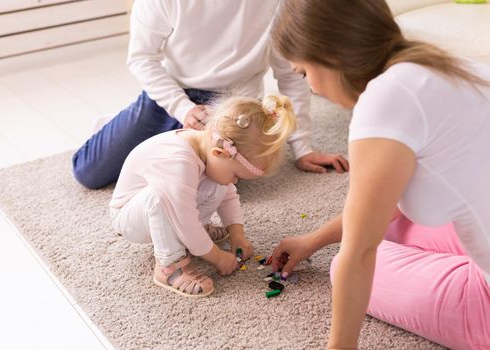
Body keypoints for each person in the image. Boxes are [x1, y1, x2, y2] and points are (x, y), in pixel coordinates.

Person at [269, 0, 490, 349]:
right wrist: (313, 239)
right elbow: (387, 202)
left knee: (346, 263)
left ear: (330, 56)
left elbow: (359, 253)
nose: (310, 86)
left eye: (303, 72)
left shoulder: (382, 104)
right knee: (392, 226)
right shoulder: (439, 64)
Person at [71, 0, 349, 190]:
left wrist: (302, 148)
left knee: (215, 186)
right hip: (173, 95)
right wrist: (182, 108)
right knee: (88, 172)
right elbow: (142, 58)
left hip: (235, 105)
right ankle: (124, 126)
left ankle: (154, 135)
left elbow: (289, 73)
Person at [110, 94, 296, 297]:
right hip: (131, 217)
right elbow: (184, 219)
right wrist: (217, 257)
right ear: (220, 153)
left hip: (174, 207)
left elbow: (228, 196)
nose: (235, 182)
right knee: (161, 199)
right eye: (236, 175)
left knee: (220, 183)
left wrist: (237, 234)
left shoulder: (208, 151)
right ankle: (169, 266)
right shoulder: (178, 161)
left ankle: (195, 234)